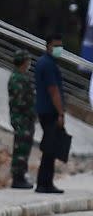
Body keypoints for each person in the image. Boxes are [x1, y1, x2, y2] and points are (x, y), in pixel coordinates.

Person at [34, 33, 66, 194]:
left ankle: (45, 182)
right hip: (50, 111)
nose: (59, 49)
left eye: (61, 45)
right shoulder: (47, 65)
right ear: (48, 46)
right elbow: (53, 91)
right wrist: (61, 113)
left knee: (50, 147)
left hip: (44, 110)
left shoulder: (45, 63)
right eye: (56, 45)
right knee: (50, 148)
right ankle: (44, 183)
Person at [8, 49, 36, 189]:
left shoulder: (21, 77)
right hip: (21, 119)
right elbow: (21, 101)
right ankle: (17, 177)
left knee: (25, 147)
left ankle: (21, 175)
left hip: (26, 118)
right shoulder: (17, 78)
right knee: (21, 148)